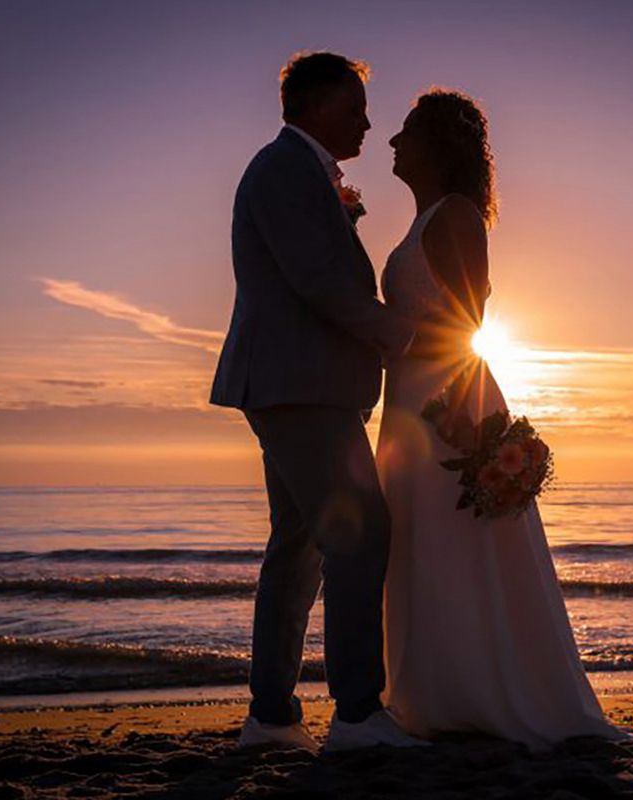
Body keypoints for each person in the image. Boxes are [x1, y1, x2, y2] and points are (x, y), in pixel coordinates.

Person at [376, 89, 625, 751]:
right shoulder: (427, 214)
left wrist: (450, 409)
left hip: (443, 404)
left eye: (404, 133)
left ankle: (484, 694)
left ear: (434, 146)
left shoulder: (455, 215)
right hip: (412, 404)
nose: (392, 143)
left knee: (455, 546)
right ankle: (442, 693)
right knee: (425, 546)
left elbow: (468, 321)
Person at [209, 51, 424, 753]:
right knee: (360, 534)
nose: (367, 120)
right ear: (317, 104)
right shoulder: (281, 170)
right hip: (297, 385)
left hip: (299, 383)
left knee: (299, 545)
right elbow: (318, 281)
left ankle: (270, 718)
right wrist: (400, 334)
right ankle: (358, 714)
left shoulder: (306, 174)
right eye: (356, 105)